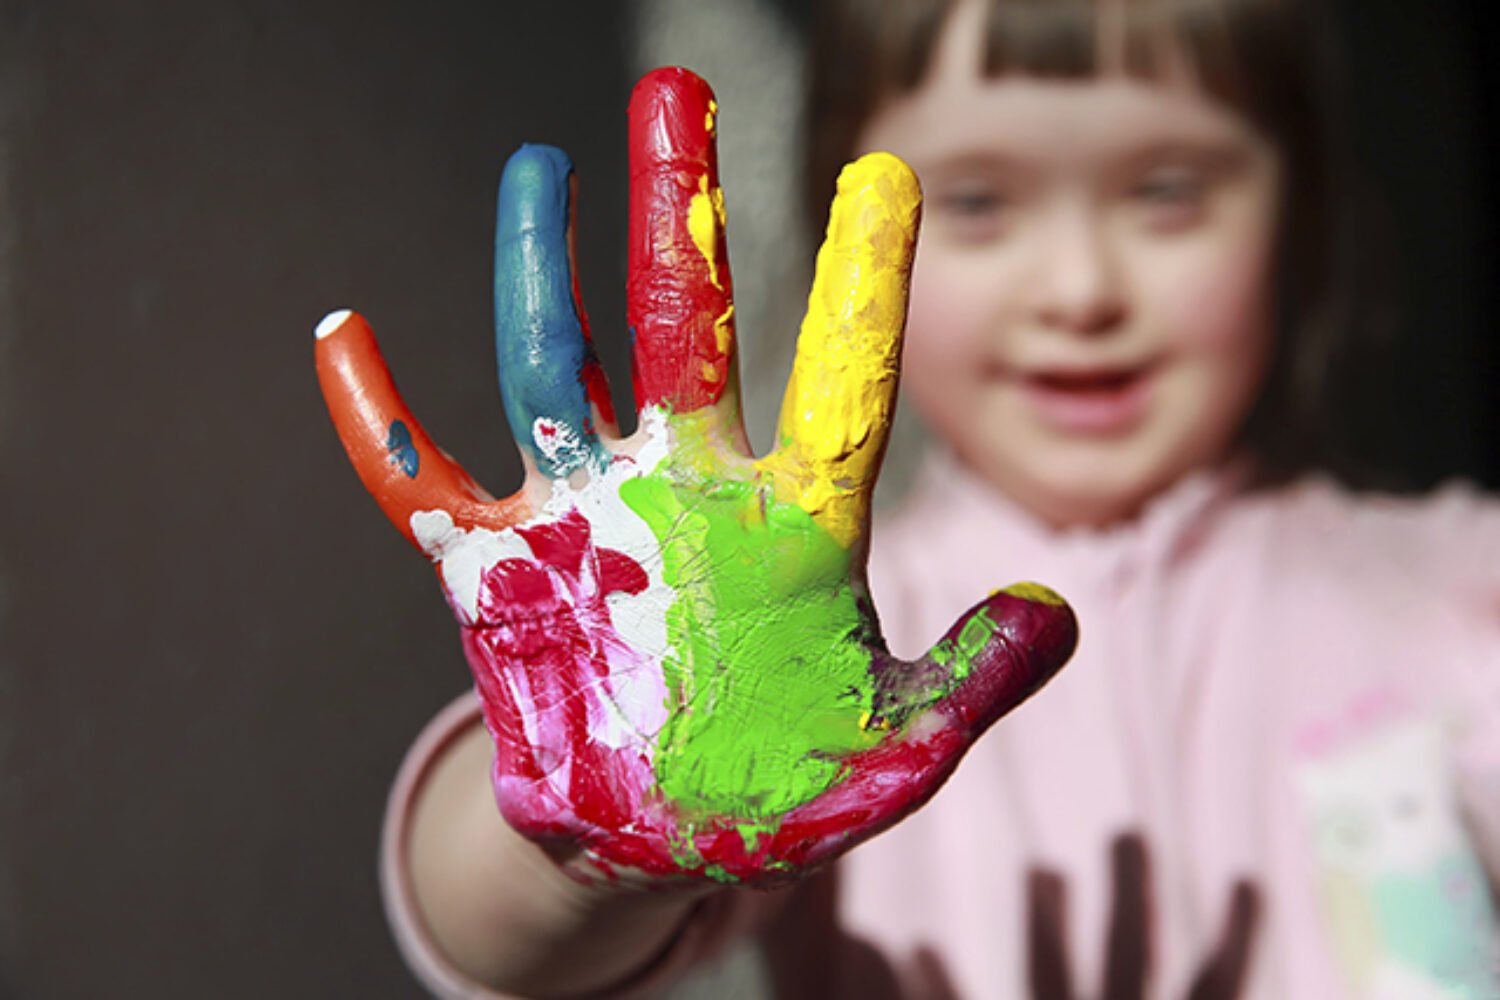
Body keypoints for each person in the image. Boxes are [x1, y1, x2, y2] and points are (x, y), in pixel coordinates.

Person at [316, 0, 1500, 996]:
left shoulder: (1460, 590)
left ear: (1298, 206)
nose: (1079, 287)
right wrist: (577, 835)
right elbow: (481, 930)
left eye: (1168, 191)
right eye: (979, 203)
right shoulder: (783, 618)